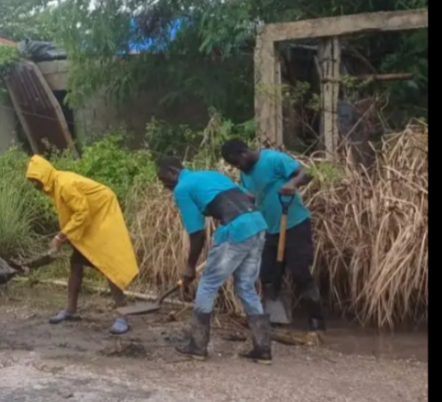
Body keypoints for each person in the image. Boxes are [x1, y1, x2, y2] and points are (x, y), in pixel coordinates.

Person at [156, 157, 272, 364]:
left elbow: (197, 233)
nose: (165, 185)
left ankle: (197, 346)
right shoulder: (210, 175)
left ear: (174, 171)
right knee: (246, 286)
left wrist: (189, 267)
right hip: (258, 224)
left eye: (164, 179)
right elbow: (249, 197)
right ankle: (263, 349)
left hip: (236, 229)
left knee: (208, 284)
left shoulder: (182, 188)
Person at [25, 155, 139, 334]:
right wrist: (66, 235)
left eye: (35, 180)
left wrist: (61, 237)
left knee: (110, 266)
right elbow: (74, 214)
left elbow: (82, 213)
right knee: (76, 264)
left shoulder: (64, 185)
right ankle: (70, 310)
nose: (34, 185)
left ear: (44, 175)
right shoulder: (56, 185)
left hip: (102, 218)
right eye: (32, 181)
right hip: (89, 222)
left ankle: (122, 315)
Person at [220, 140, 324, 331]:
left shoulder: (273, 158)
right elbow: (252, 197)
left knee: (301, 273)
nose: (237, 167)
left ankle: (317, 321)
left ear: (243, 153)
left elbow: (305, 174)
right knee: (268, 276)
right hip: (269, 230)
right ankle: (277, 319)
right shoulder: (245, 174)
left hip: (294, 224)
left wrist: (292, 183)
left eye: (236, 163)